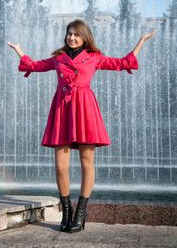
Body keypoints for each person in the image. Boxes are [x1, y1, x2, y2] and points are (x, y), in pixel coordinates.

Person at [8, 19, 157, 233]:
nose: (72, 38)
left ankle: (82, 211)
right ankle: (66, 210)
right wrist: (20, 51)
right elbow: (34, 66)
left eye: (76, 34)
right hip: (62, 110)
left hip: (85, 110)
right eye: (69, 34)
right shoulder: (58, 58)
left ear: (85, 37)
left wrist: (141, 41)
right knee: (60, 165)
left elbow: (123, 63)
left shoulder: (95, 57)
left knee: (87, 163)